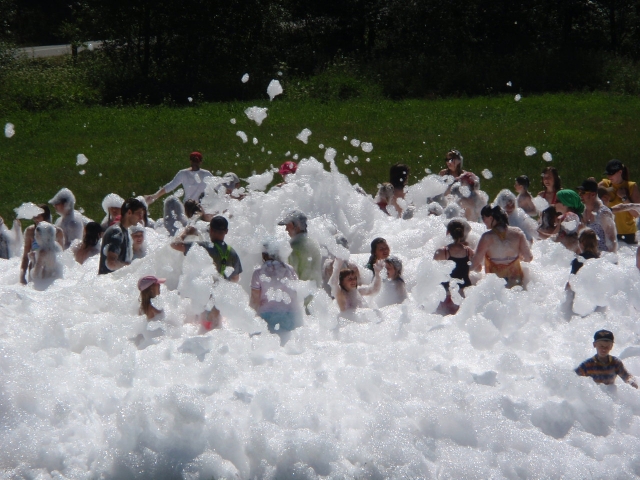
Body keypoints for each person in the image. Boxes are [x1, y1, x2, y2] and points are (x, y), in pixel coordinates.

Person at [172, 216, 242, 328]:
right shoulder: (232, 253)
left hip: (204, 300)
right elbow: (235, 278)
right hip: (222, 302)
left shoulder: (203, 247)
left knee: (203, 330)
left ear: (211, 230)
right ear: (226, 231)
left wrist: (186, 232)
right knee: (217, 329)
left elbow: (174, 244)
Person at [471, 206, 533, 288]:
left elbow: (476, 262)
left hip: (496, 283)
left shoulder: (487, 237)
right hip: (515, 280)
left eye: (484, 218)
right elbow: (528, 258)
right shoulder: (518, 233)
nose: (483, 221)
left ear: (491, 218)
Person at [250, 240, 302, 335]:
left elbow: (254, 300)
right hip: (290, 316)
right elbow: (295, 294)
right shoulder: (289, 269)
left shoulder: (258, 273)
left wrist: (251, 320)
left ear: (263, 253)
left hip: (267, 316)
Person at [434, 219, 475, 315]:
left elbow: (433, 274)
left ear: (448, 232)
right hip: (465, 294)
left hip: (447, 294)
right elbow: (478, 268)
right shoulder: (469, 251)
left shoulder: (441, 252)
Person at [144, 151, 213, 205]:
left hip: (187, 207)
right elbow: (218, 187)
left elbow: (169, 186)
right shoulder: (206, 174)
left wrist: (154, 196)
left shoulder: (183, 173)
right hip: (202, 207)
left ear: (190, 161)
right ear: (200, 162)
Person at [98, 198, 146, 274]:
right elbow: (111, 263)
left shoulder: (124, 231)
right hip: (110, 280)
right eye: (139, 214)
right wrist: (130, 267)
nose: (141, 218)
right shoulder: (117, 231)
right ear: (129, 212)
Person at [20, 204, 65, 285]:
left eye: (38, 216)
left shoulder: (58, 232)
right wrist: (22, 277)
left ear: (45, 216)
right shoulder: (30, 231)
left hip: (51, 271)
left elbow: (61, 256)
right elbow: (25, 256)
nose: (35, 219)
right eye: (34, 216)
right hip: (34, 269)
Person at [599, 159, 640, 244]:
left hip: (627, 234)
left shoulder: (631, 186)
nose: (609, 176)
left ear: (620, 172)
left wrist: (624, 198)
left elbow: (637, 214)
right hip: (609, 232)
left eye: (612, 173)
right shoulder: (604, 184)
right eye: (608, 174)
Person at [278, 210, 322, 288]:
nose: (286, 229)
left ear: (297, 225)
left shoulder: (294, 246)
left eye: (288, 225)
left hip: (300, 293)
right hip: (316, 291)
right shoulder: (314, 243)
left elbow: (291, 276)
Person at [577, 179, 617, 253]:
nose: (580, 195)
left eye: (583, 192)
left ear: (593, 194)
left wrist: (610, 259)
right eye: (579, 192)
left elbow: (612, 241)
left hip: (602, 257)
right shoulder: (585, 211)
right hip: (589, 256)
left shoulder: (603, 213)